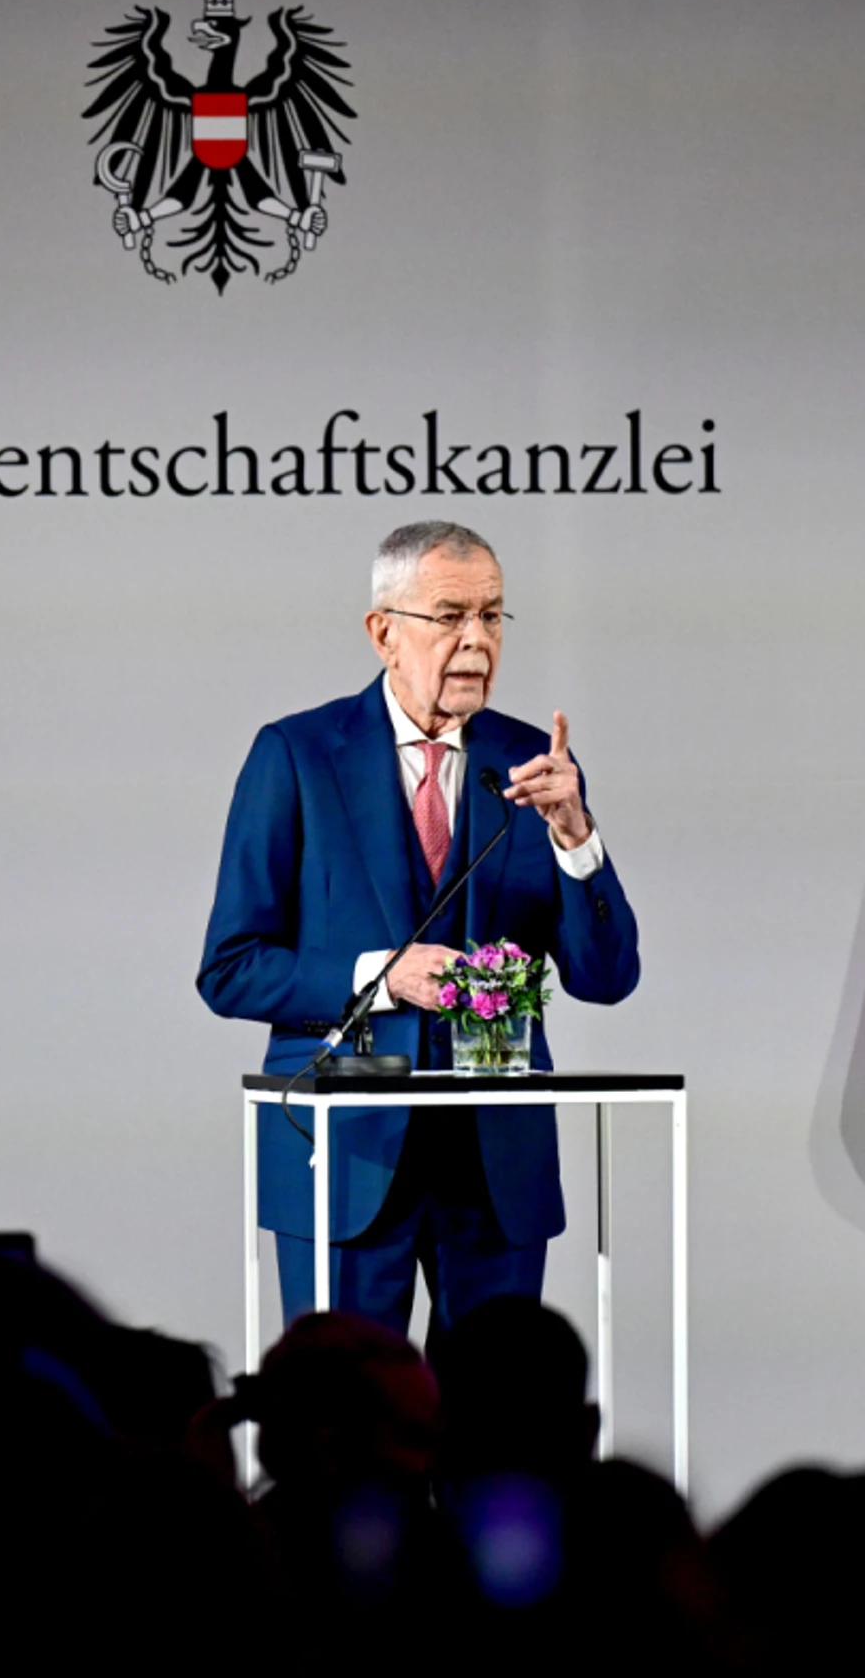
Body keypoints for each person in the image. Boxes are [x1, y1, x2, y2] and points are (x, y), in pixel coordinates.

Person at [198, 520, 641, 1333]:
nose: (477, 639)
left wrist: (577, 835)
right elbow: (231, 966)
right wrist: (380, 974)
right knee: (347, 1439)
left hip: (495, 1171)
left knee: (490, 1435)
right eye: (450, 616)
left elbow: (606, 976)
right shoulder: (297, 756)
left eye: (494, 615)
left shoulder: (535, 765)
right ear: (384, 633)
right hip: (345, 1156)